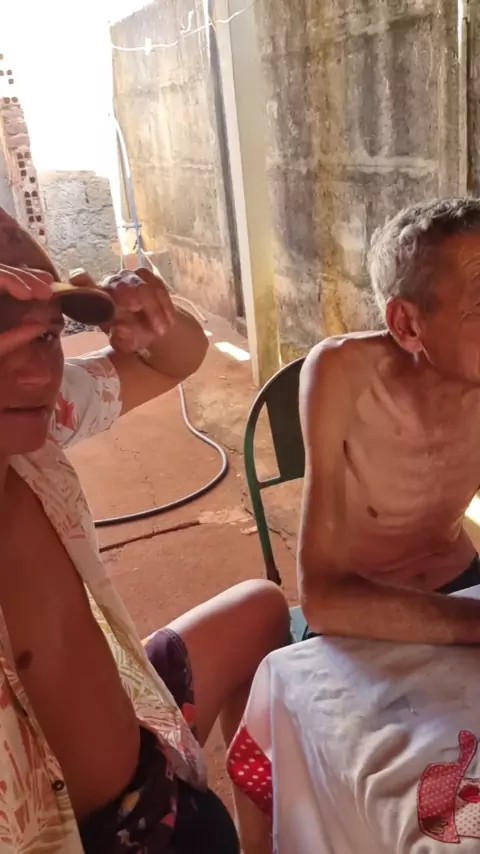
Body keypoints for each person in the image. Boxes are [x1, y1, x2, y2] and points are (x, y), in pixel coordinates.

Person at [0, 207, 289, 854]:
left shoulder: (41, 426)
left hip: (148, 736)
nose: (38, 374)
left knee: (261, 609)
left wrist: (153, 316)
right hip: (81, 836)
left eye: (45, 336)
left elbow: (173, 360)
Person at [298, 196, 480, 647]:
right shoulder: (342, 375)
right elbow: (322, 599)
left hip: (463, 580)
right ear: (407, 324)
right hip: (363, 606)